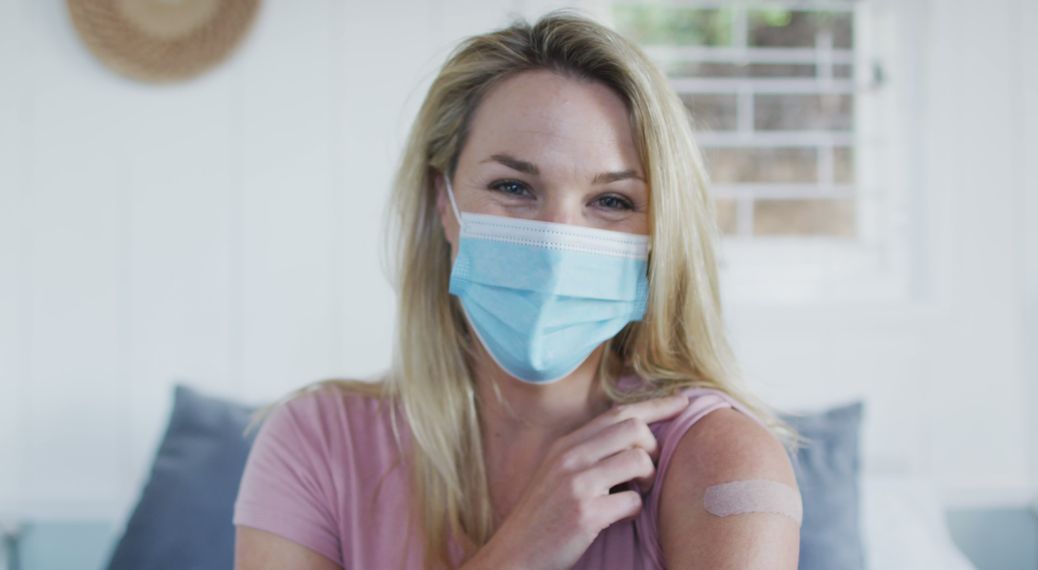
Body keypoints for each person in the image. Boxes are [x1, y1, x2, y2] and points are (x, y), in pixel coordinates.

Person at [234, 9, 803, 570]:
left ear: (660, 231)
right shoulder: (315, 443)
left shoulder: (719, 459)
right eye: (513, 186)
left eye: (611, 201)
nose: (556, 243)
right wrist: (521, 549)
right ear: (444, 203)